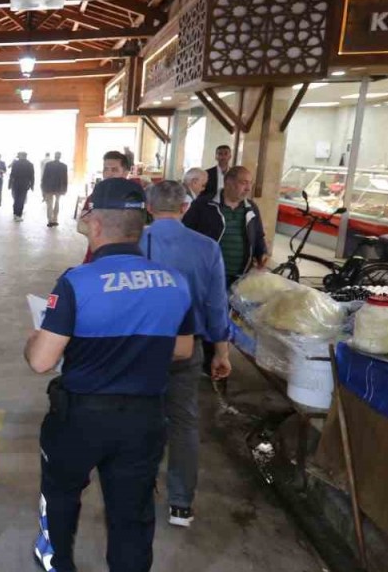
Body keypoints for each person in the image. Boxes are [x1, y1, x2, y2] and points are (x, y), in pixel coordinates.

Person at [26, 178, 196, 572]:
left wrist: (34, 338)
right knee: (132, 510)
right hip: (144, 418)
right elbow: (184, 349)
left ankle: (57, 562)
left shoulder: (76, 282)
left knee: (61, 493)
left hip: (81, 417)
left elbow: (40, 361)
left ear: (97, 225)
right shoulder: (174, 282)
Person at [141, 181, 233, 528]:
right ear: (184, 208)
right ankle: (180, 504)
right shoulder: (207, 248)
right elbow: (215, 304)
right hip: (185, 347)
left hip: (140, 348)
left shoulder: (135, 243)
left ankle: (140, 486)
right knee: (183, 421)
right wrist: (220, 351)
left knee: (140, 416)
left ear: (148, 208)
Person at [183, 165, 269, 287]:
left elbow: (259, 236)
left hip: (240, 278)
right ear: (228, 182)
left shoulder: (251, 208)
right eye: (244, 183)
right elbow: (186, 234)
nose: (248, 188)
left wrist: (262, 252)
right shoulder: (203, 205)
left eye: (250, 183)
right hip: (207, 277)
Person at [42, 152, 69, 227]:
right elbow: (65, 179)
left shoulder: (48, 165)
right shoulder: (64, 166)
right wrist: (65, 189)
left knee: (49, 204)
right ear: (60, 157)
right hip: (59, 188)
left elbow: (45, 177)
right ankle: (55, 219)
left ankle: (50, 220)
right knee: (57, 203)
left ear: (54, 156)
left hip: (49, 187)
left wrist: (43, 188)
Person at [9, 152, 36, 221]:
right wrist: (32, 185)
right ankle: (18, 215)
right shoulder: (30, 164)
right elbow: (32, 176)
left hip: (16, 183)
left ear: (21, 156)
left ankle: (15, 213)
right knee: (21, 200)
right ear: (26, 156)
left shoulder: (15, 163)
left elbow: (12, 174)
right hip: (25, 184)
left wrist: (9, 184)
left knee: (16, 199)